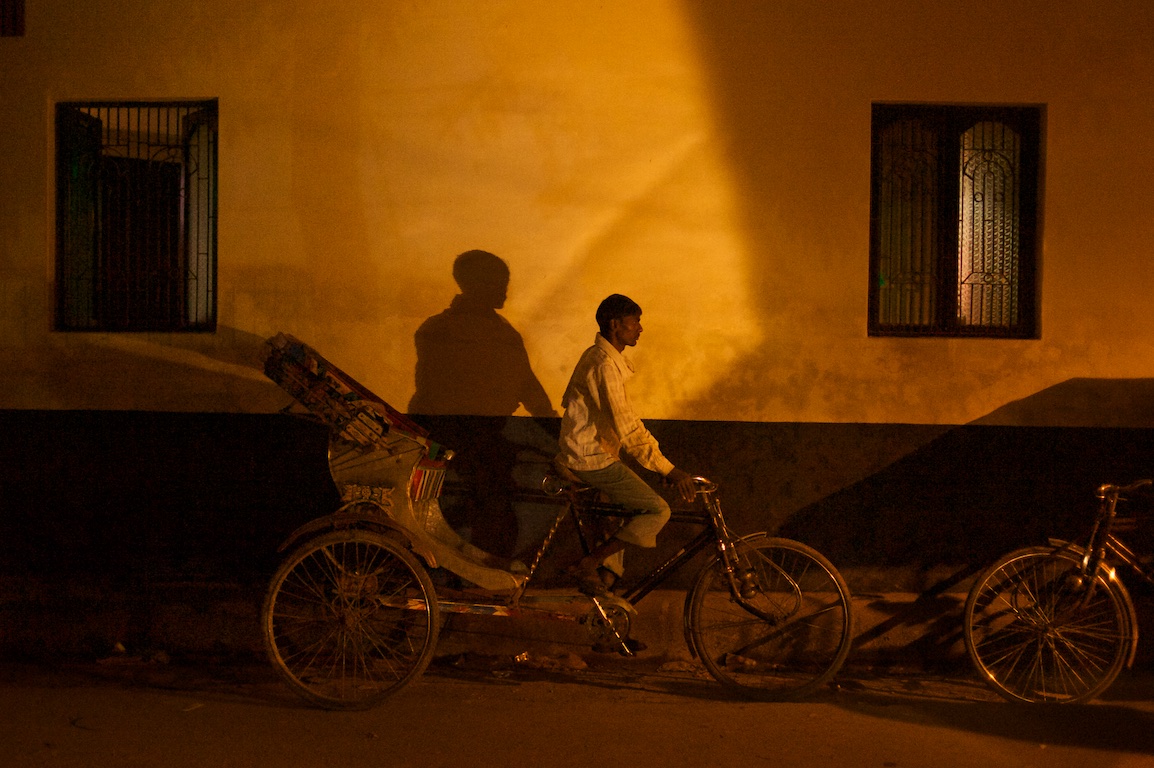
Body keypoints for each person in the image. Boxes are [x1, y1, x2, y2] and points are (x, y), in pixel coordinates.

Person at [557, 293, 697, 600]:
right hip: (589, 459)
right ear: (615, 325)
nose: (640, 328)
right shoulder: (603, 365)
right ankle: (588, 564)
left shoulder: (603, 359)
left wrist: (659, 464)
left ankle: (608, 601)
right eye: (635, 321)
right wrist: (669, 469)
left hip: (599, 453)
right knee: (657, 509)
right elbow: (628, 428)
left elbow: (625, 427)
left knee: (625, 515)